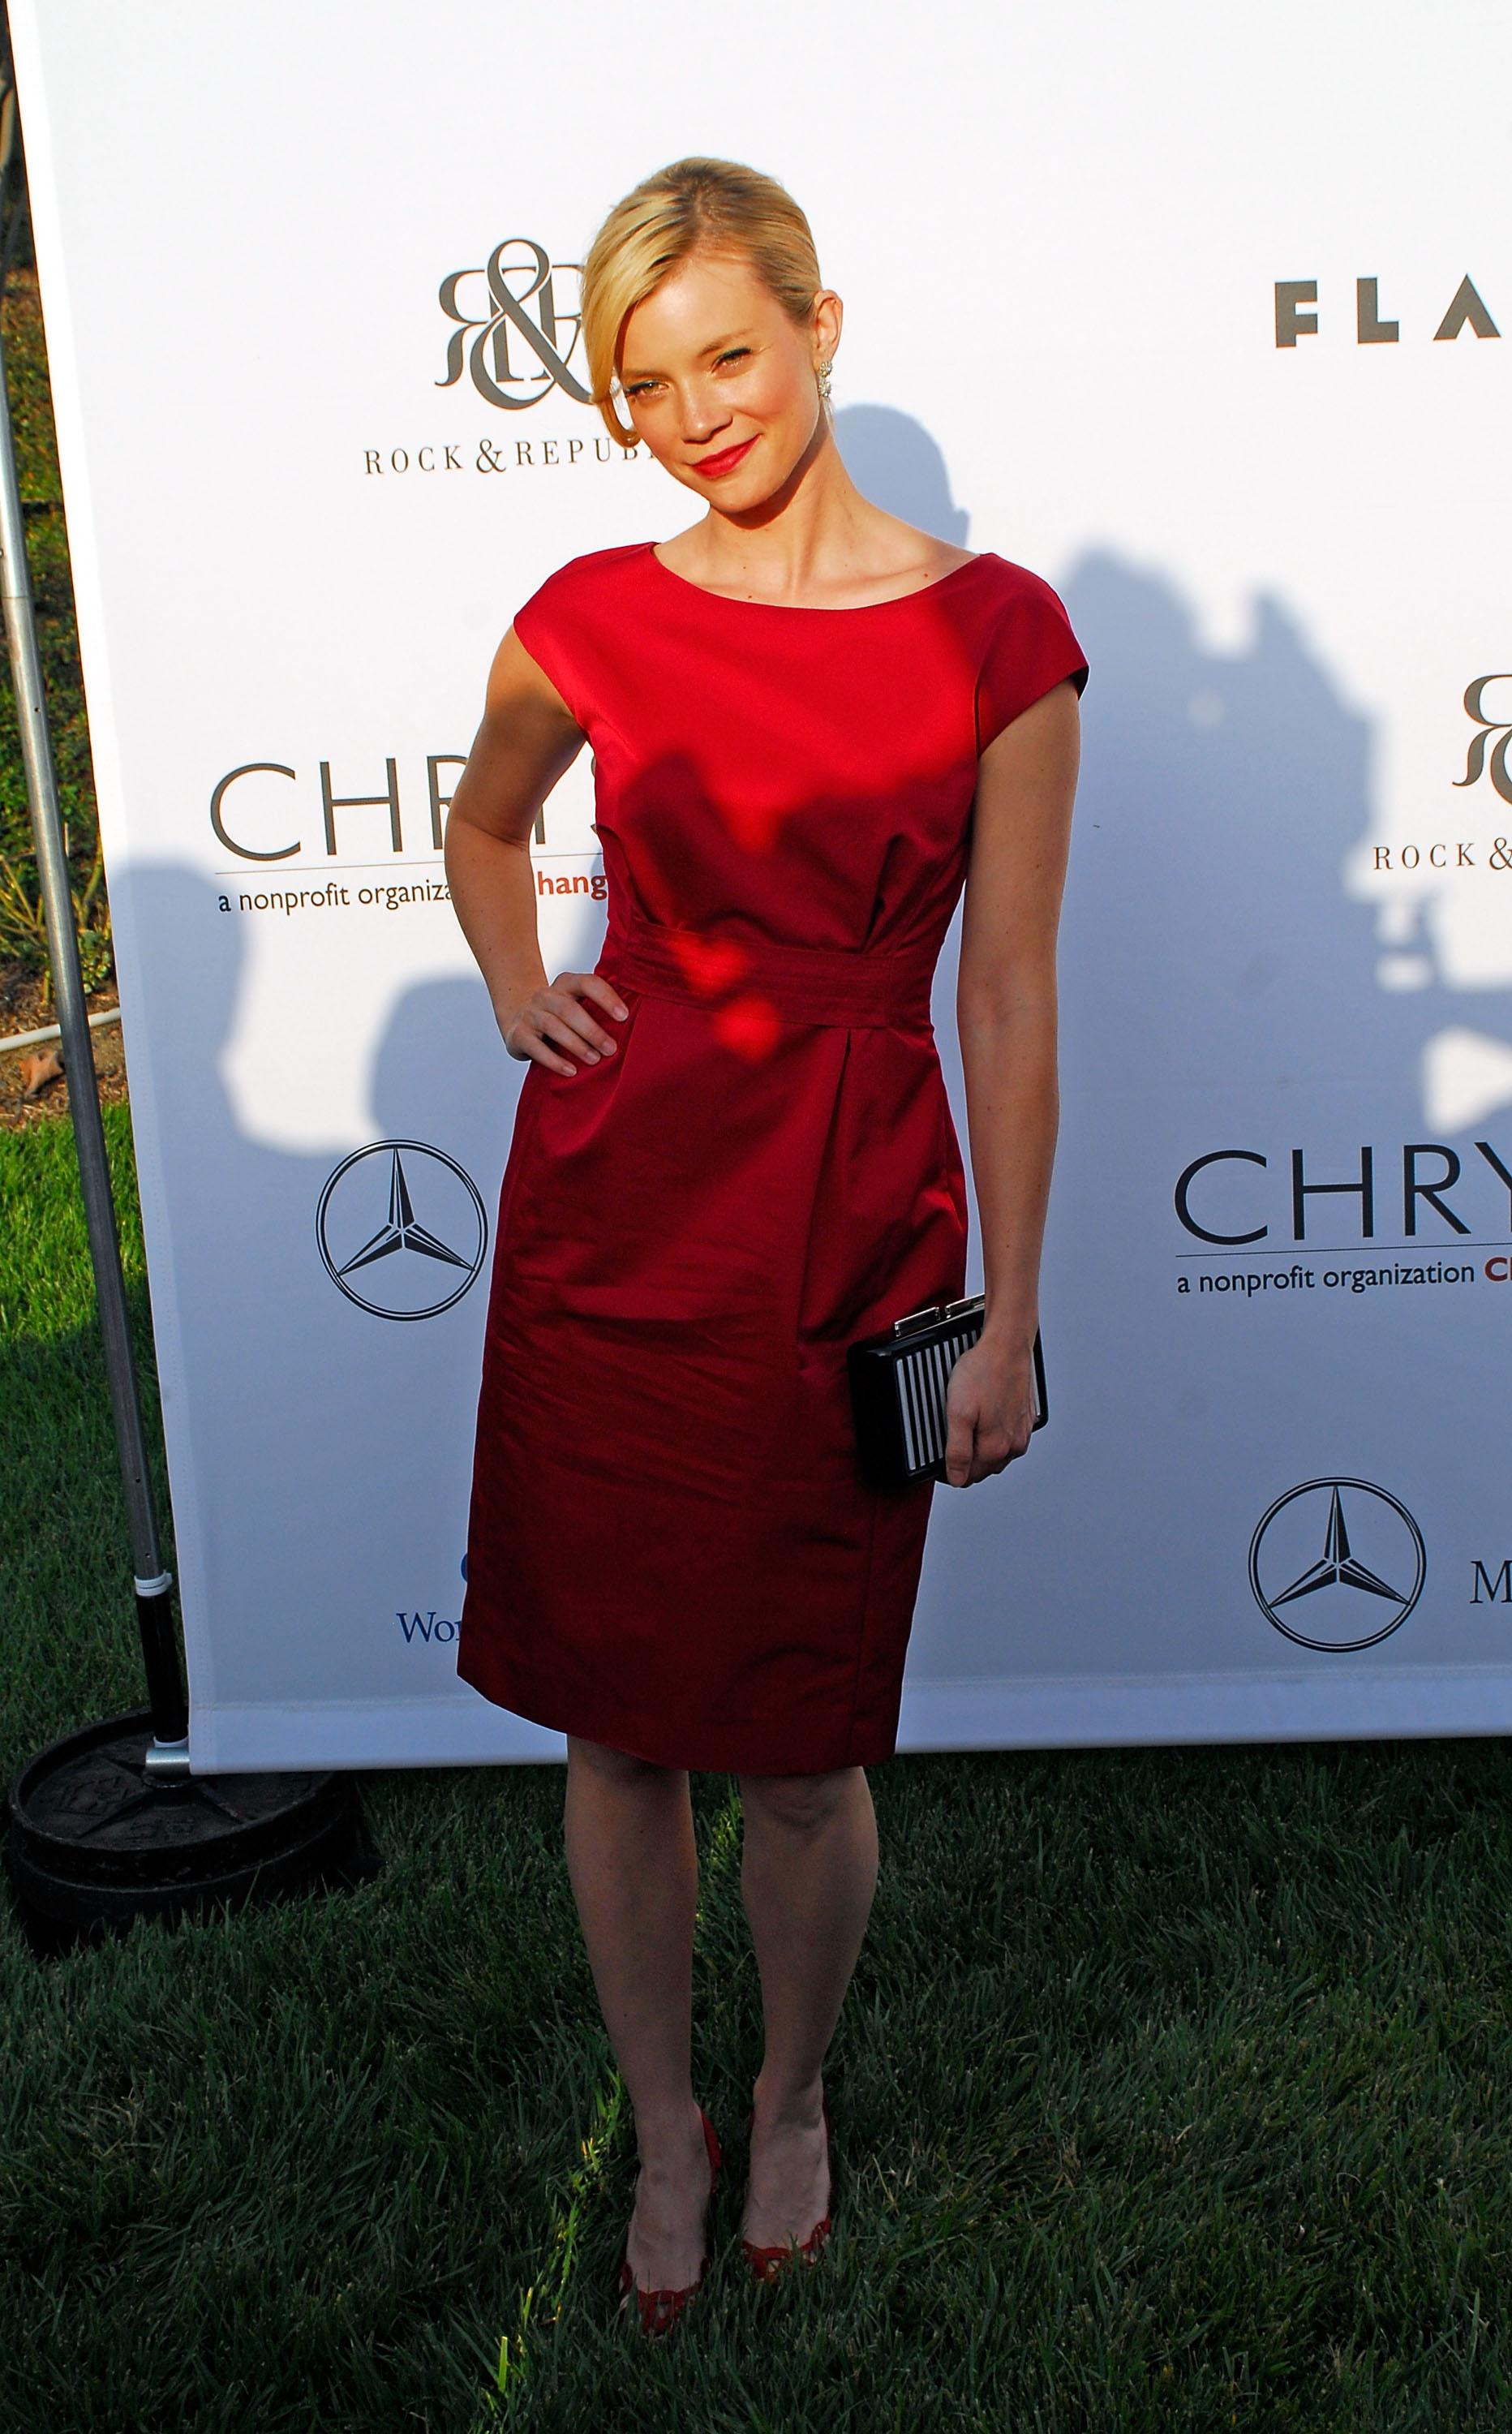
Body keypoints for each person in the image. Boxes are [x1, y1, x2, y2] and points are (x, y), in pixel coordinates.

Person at [446, 156, 1088, 2335]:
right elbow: (488, 822)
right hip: (617, 1214)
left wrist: (1010, 1310)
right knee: (617, 1729)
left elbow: (1010, 994)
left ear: (821, 326)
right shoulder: (592, 614)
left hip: (851, 1214)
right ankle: (667, 2129)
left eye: (729, 353)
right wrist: (518, 982)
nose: (696, 412)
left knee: (804, 1741)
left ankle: (789, 2100)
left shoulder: (998, 637)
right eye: (647, 383)